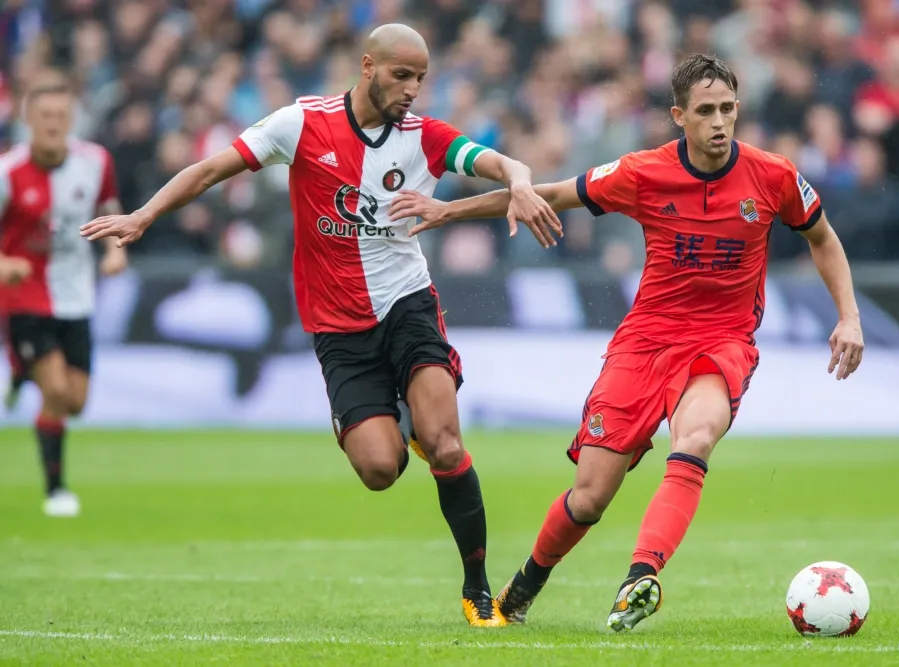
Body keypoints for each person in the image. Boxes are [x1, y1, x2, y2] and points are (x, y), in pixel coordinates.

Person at [80, 23, 560, 628]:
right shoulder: (302, 123)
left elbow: (501, 161)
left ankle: (477, 590)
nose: (412, 89)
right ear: (367, 66)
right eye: (401, 75)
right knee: (381, 470)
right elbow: (210, 170)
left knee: (444, 444)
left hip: (407, 305)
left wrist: (519, 182)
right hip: (338, 328)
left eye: (420, 78)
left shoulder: (426, 137)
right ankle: (390, 418)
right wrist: (145, 215)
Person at [388, 54, 865, 632]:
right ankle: (525, 586)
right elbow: (549, 195)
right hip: (644, 344)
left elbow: (822, 237)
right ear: (679, 117)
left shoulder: (774, 176)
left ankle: (640, 576)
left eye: (728, 110)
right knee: (588, 498)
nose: (720, 122)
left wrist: (849, 316)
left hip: (722, 342)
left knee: (696, 436)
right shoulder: (642, 172)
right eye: (706, 111)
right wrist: (450, 210)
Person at [0, 70, 128, 518]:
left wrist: (115, 249)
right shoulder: (7, 171)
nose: (53, 123)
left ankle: (19, 374)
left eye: (61, 114)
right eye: (45, 115)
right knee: (54, 388)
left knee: (74, 401)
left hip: (77, 295)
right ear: (28, 119)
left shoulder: (95, 161)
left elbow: (108, 206)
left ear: (72, 117)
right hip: (24, 297)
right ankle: (56, 490)